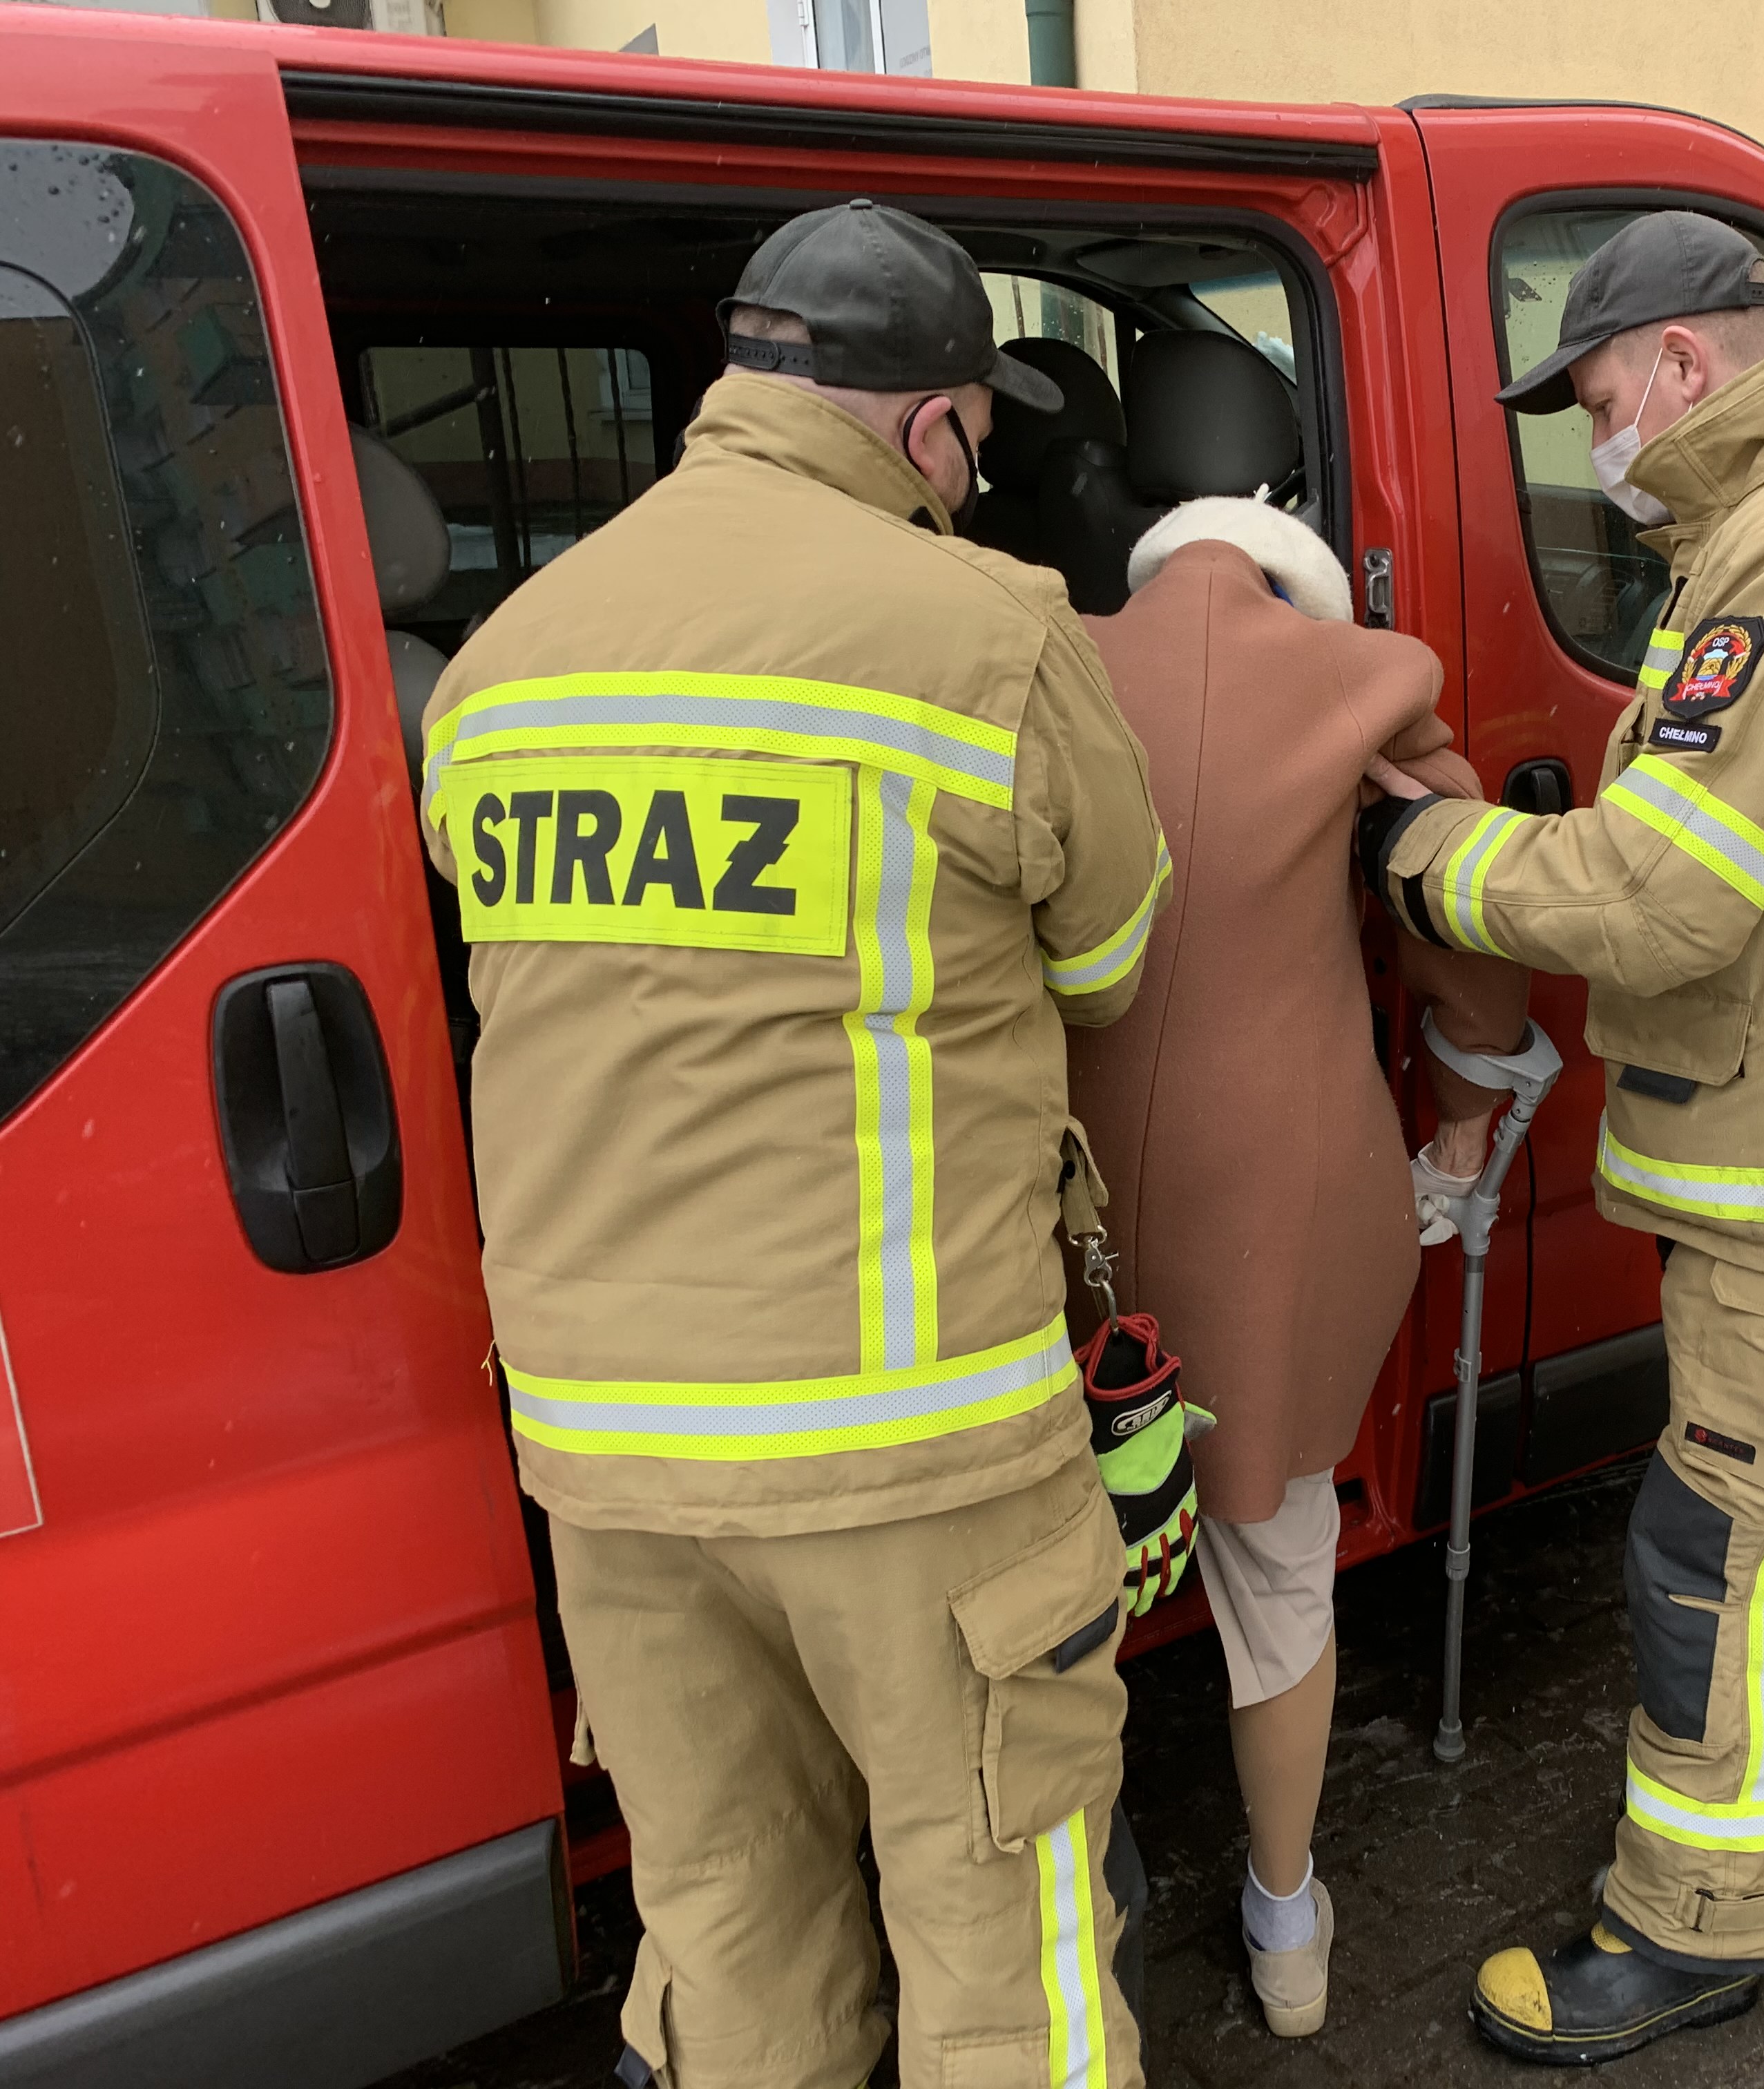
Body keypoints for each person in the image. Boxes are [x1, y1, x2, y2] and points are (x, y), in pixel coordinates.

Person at [414, 200, 1178, 2089]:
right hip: (910, 1437)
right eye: (973, 443)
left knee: (729, 1927)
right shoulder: (987, 630)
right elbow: (1108, 959)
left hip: (609, 1452)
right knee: (999, 1934)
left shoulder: (501, 666)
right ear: (933, 427)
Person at [1356, 210, 1764, 2063]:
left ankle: (1694, 1923)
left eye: (1596, 402)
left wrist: (1422, 857)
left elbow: (1665, 894)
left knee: (1719, 1555)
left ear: (1682, 362)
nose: (1598, 443)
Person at [1051, 331, 1531, 2039]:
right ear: (1283, 504)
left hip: (1055, 1216)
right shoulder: (1372, 680)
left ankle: (1073, 1906)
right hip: (1286, 1217)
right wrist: (1460, 1124)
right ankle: (1286, 1924)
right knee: (1279, 1569)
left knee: (1055, 1578)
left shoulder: (1034, 659)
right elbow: (1464, 940)